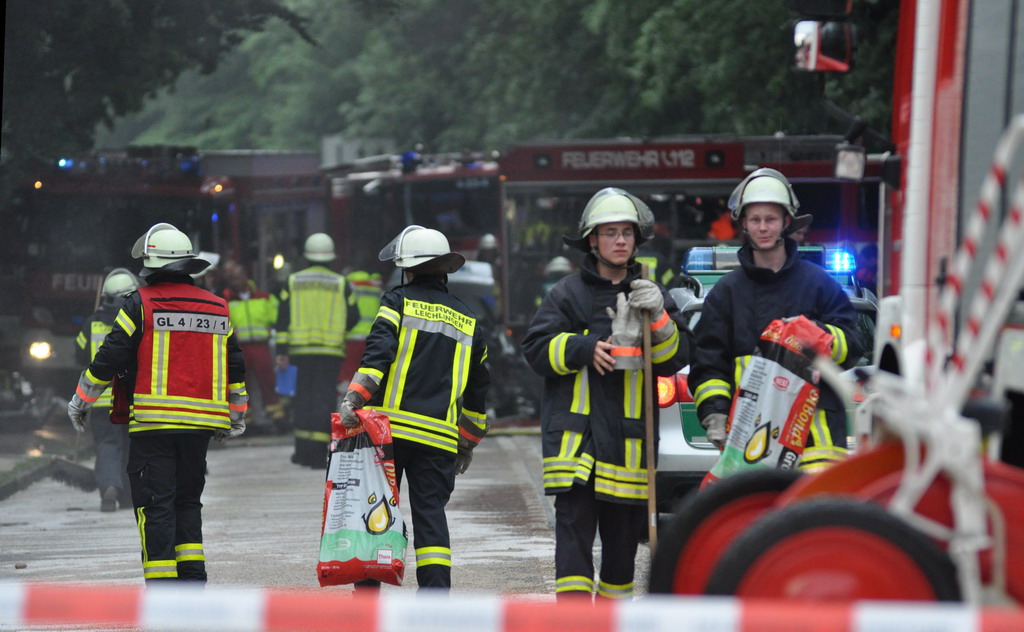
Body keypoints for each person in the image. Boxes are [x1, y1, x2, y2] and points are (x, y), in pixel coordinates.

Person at [521, 188, 693, 601]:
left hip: (628, 448)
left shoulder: (652, 293)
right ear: (592, 240)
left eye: (626, 233)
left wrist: (661, 318)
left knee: (620, 560)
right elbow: (536, 350)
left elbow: (677, 357)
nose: (619, 240)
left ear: (636, 241)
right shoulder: (566, 294)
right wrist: (583, 347)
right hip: (577, 447)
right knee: (573, 554)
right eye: (610, 232)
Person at [66, 223, 247, 584]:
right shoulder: (218, 308)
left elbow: (111, 356)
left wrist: (82, 399)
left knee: (155, 505)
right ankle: (193, 579)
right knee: (187, 501)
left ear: (150, 267)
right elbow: (234, 365)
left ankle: (163, 588)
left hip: (154, 427)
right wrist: (236, 414)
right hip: (200, 427)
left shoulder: (141, 304)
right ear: (187, 266)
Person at [338, 225, 491, 591]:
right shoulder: (469, 321)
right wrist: (467, 441)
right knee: (430, 519)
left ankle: (367, 608)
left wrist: (354, 398)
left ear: (406, 268)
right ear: (443, 269)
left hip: (386, 434)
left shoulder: (396, 302)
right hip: (438, 440)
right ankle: (435, 609)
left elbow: (377, 358)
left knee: (375, 512)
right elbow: (478, 391)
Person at [689, 168, 863, 472]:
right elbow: (709, 364)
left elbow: (853, 343)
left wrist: (816, 336)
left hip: (815, 437)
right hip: (752, 436)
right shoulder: (726, 293)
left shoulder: (819, 283)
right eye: (755, 220)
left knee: (813, 518)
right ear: (744, 224)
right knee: (758, 517)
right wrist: (714, 413)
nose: (763, 227)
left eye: (770, 219)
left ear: (786, 222)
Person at [276, 233, 359, 468]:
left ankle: (302, 452)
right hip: (330, 351)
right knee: (323, 399)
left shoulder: (293, 281)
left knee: (302, 399)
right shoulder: (340, 283)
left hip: (300, 351)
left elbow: (282, 317)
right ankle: (318, 454)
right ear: (331, 257)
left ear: (307, 256)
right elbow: (354, 316)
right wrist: (337, 327)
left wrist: (282, 350)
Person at [74, 268, 139, 512]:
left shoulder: (92, 324)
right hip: (133, 399)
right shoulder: (139, 321)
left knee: (108, 444)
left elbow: (79, 354)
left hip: (101, 400)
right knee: (132, 446)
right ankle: (130, 496)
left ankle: (109, 487)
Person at [221, 260, 284, 429]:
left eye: (238, 277)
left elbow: (278, 316)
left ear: (245, 277)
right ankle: (245, 421)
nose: (235, 281)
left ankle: (276, 418)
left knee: (268, 381)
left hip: (261, 345)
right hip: (239, 348)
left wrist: (272, 328)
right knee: (240, 385)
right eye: (232, 278)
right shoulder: (226, 300)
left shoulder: (264, 297)